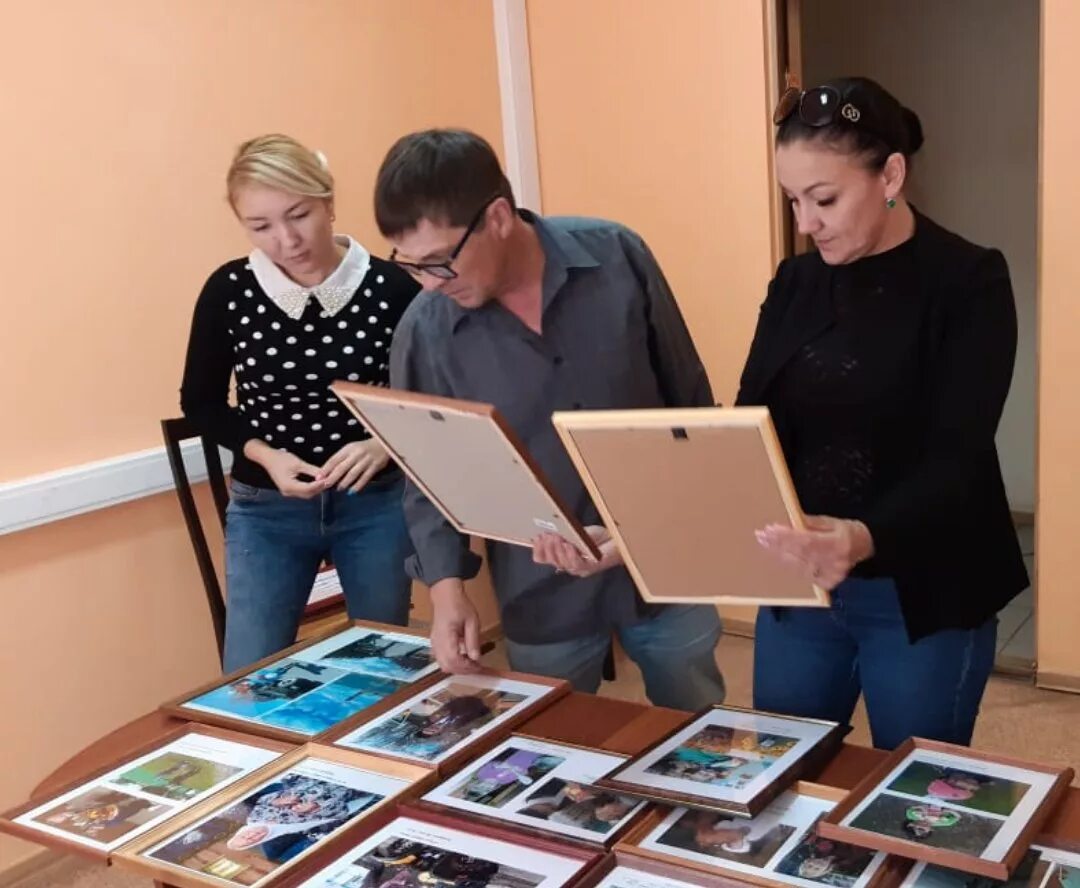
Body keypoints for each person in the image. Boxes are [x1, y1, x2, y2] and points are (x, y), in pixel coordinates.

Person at [378, 128, 724, 710]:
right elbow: (430, 477)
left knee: (699, 736)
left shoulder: (618, 257)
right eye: (411, 266)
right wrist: (446, 592)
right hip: (542, 589)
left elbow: (687, 399)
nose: (431, 283)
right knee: (557, 749)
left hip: (663, 559)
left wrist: (687, 517)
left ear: (498, 217)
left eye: (440, 262)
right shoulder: (425, 330)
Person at [737, 78, 1028, 749]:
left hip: (923, 589)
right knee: (785, 768)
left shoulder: (968, 281)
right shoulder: (797, 281)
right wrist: (649, 528)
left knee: (912, 791)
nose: (806, 223)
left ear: (891, 173)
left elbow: (958, 456)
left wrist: (860, 538)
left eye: (825, 199)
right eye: (793, 201)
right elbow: (751, 426)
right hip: (803, 584)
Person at [180, 134, 420, 672]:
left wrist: (381, 445)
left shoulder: (391, 286)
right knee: (249, 673)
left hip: (375, 502)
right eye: (261, 227)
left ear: (329, 202)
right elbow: (199, 400)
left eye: (299, 215)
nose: (287, 240)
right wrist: (266, 455)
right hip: (267, 508)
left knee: (380, 667)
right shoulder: (230, 290)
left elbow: (432, 395)